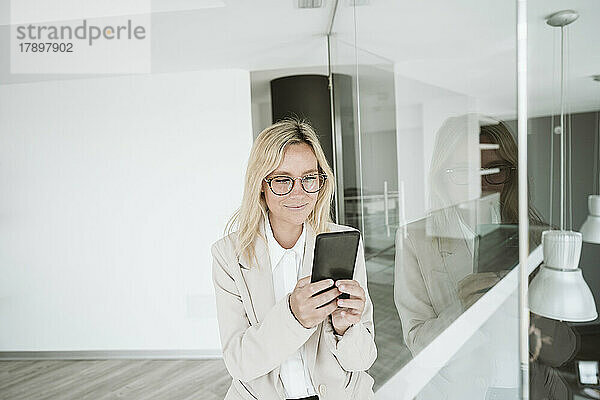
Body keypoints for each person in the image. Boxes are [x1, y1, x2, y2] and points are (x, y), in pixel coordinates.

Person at [211, 119, 377, 400]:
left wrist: (346, 328)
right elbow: (239, 362)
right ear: (261, 185)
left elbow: (361, 361)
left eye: (309, 178)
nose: (299, 192)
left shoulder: (344, 242)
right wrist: (294, 317)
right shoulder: (228, 255)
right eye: (283, 180)